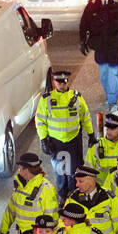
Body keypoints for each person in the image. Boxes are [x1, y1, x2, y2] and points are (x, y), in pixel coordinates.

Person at [35, 70, 93, 199]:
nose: (62, 85)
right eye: (59, 82)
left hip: (73, 141)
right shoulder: (46, 100)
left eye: (64, 82)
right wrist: (43, 139)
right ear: (55, 82)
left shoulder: (77, 98)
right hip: (56, 142)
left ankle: (74, 196)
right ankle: (62, 197)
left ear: (68, 82)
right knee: (60, 172)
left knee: (74, 172)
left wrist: (91, 134)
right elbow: (40, 122)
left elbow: (85, 117)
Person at [0, 153, 59, 234]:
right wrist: (4, 228)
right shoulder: (21, 185)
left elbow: (51, 216)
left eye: (20, 168)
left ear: (26, 170)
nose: (18, 170)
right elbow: (12, 208)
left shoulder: (46, 189)